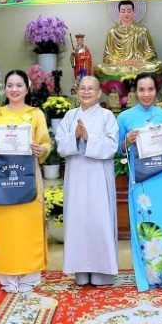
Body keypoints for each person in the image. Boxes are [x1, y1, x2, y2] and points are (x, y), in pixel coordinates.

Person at [117, 72, 162, 291]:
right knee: (145, 224)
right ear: (135, 92)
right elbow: (117, 149)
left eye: (150, 89)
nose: (146, 94)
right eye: (141, 90)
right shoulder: (125, 118)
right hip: (142, 182)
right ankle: (150, 275)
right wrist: (126, 141)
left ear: (156, 91)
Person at [0, 69, 51, 293]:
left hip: (29, 177)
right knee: (6, 227)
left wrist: (41, 149)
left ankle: (30, 275)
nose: (14, 90)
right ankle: (7, 276)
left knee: (28, 225)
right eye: (10, 85)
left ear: (27, 88)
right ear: (5, 89)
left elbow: (46, 144)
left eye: (19, 85)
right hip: (3, 180)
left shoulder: (36, 114)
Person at [56, 76, 119, 285]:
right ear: (77, 92)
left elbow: (112, 146)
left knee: (100, 220)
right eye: (82, 88)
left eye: (91, 88)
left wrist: (88, 138)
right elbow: (60, 146)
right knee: (78, 221)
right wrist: (74, 136)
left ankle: (102, 273)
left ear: (99, 93)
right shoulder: (70, 116)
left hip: (99, 176)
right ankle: (81, 272)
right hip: (76, 176)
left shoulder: (107, 116)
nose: (86, 92)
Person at [95, 0, 162, 103]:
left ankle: (130, 88)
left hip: (139, 65)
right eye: (123, 11)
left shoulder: (142, 30)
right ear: (119, 13)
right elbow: (107, 57)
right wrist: (121, 62)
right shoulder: (113, 32)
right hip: (120, 66)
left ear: (133, 12)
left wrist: (139, 61)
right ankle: (122, 91)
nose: (126, 14)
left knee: (160, 66)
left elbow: (151, 54)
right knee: (98, 69)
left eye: (129, 11)